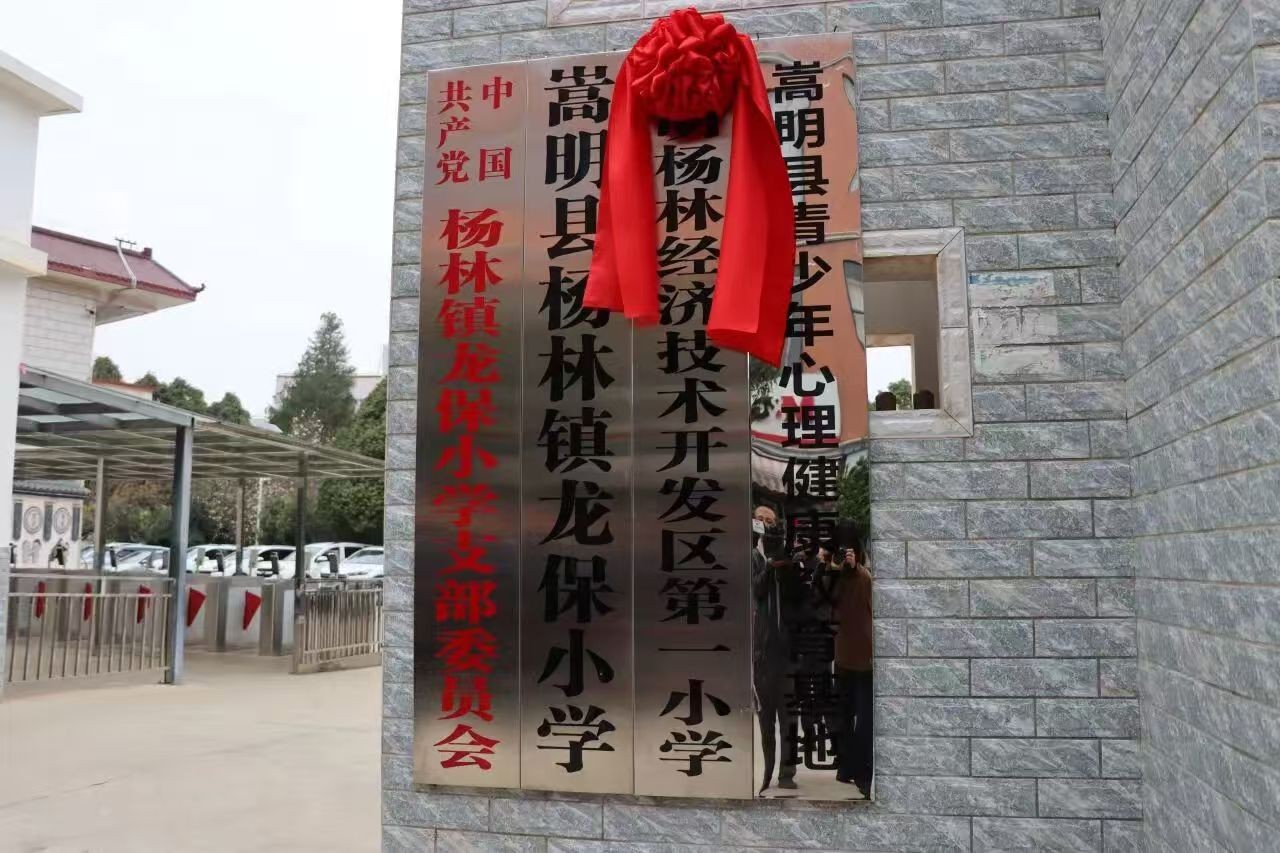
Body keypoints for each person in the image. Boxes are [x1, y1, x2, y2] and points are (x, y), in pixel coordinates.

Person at [752, 504, 798, 791]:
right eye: (760, 519)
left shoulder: (787, 553)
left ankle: (787, 773)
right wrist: (769, 566)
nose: (765, 524)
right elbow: (755, 589)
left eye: (770, 520)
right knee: (766, 717)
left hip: (787, 650)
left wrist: (790, 565)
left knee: (789, 716)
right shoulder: (752, 556)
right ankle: (768, 771)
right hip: (763, 650)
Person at [834, 541, 873, 796]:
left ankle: (859, 771)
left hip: (862, 661)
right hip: (845, 659)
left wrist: (853, 567)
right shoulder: (834, 578)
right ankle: (849, 768)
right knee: (846, 718)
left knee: (863, 720)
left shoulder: (863, 577)